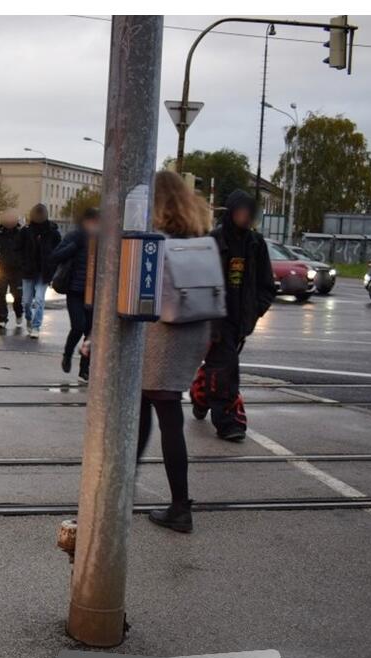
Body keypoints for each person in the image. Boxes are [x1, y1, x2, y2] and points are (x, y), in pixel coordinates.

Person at [138, 171, 216, 533]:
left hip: (162, 331)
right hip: (195, 324)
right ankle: (160, 499)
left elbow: (142, 293)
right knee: (150, 409)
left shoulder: (156, 241)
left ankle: (180, 507)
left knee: (160, 411)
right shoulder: (198, 235)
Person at [189, 189, 275, 442]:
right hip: (215, 319)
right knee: (226, 370)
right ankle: (229, 422)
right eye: (240, 212)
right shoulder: (213, 241)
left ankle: (200, 396)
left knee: (221, 366)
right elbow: (198, 281)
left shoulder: (256, 244)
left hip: (242, 320)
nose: (244, 217)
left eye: (249, 213)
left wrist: (256, 311)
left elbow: (266, 284)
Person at [49, 207, 98, 379]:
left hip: (96, 293)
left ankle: (85, 368)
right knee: (78, 326)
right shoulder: (75, 236)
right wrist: (74, 246)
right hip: (75, 290)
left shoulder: (105, 239)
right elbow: (56, 256)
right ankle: (67, 354)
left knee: (91, 331)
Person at [19, 203, 61, 339]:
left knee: (39, 300)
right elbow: (18, 249)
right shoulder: (25, 231)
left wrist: (53, 267)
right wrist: (22, 263)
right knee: (26, 301)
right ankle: (29, 318)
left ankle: (36, 326)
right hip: (28, 270)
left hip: (44, 271)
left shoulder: (52, 232)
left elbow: (58, 251)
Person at [0, 210, 24, 329]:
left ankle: (19, 312)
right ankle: (2, 318)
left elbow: (27, 251)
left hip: (17, 271)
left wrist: (20, 261)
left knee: (18, 296)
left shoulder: (21, 233)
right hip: (2, 270)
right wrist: (0, 259)